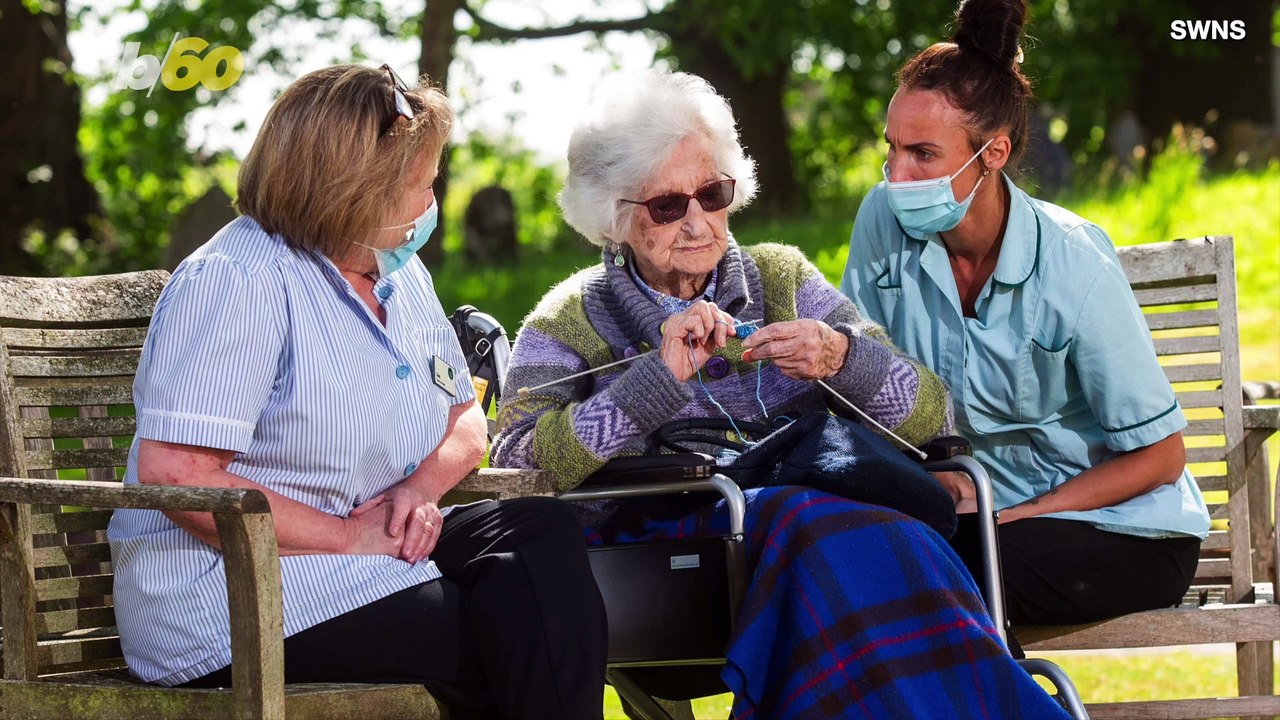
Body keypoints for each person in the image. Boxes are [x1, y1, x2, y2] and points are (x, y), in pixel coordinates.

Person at [492, 69, 1070, 719]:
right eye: (666, 206)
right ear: (612, 215)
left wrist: (841, 358)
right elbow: (515, 467)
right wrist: (655, 382)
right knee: (813, 525)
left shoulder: (781, 277)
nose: (697, 222)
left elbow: (933, 414)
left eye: (711, 193)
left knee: (872, 528)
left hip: (809, 528)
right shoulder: (573, 316)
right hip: (670, 555)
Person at [106, 64, 607, 720]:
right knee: (507, 629)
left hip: (375, 552)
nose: (432, 203)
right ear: (356, 191)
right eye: (422, 186)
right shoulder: (238, 280)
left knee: (534, 540)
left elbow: (465, 420)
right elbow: (176, 474)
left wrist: (416, 493)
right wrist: (347, 538)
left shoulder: (396, 272)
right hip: (228, 594)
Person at [840, 0, 1210, 652]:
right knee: (850, 554)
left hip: (1118, 529)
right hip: (973, 518)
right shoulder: (882, 218)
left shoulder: (1074, 262)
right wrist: (932, 466)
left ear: (994, 152)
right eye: (891, 148)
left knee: (944, 569)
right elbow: (863, 377)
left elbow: (1161, 456)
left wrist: (1015, 514)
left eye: (923, 154)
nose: (897, 176)